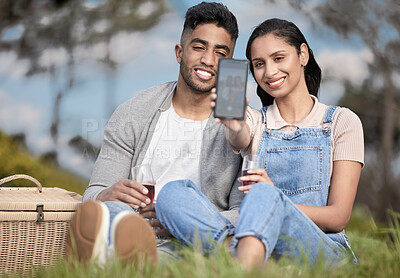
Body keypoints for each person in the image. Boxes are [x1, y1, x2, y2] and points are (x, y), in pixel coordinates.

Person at [156, 18, 364, 268]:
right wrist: (234, 125)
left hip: (321, 249)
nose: (269, 72)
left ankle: (234, 264)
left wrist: (274, 202)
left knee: (264, 195)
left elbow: (338, 217)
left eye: (279, 58)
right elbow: (241, 135)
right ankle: (246, 259)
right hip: (257, 241)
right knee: (172, 194)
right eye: (259, 64)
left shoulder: (341, 122)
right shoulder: (256, 121)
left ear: (303, 54)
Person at [66, 2, 243, 265]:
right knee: (111, 212)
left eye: (221, 52)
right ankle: (125, 251)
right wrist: (107, 194)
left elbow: (244, 214)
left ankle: (115, 258)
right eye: (199, 47)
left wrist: (180, 219)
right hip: (132, 225)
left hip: (192, 241)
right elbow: (92, 197)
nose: (208, 60)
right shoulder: (132, 112)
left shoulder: (241, 127)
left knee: (181, 252)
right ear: (179, 52)